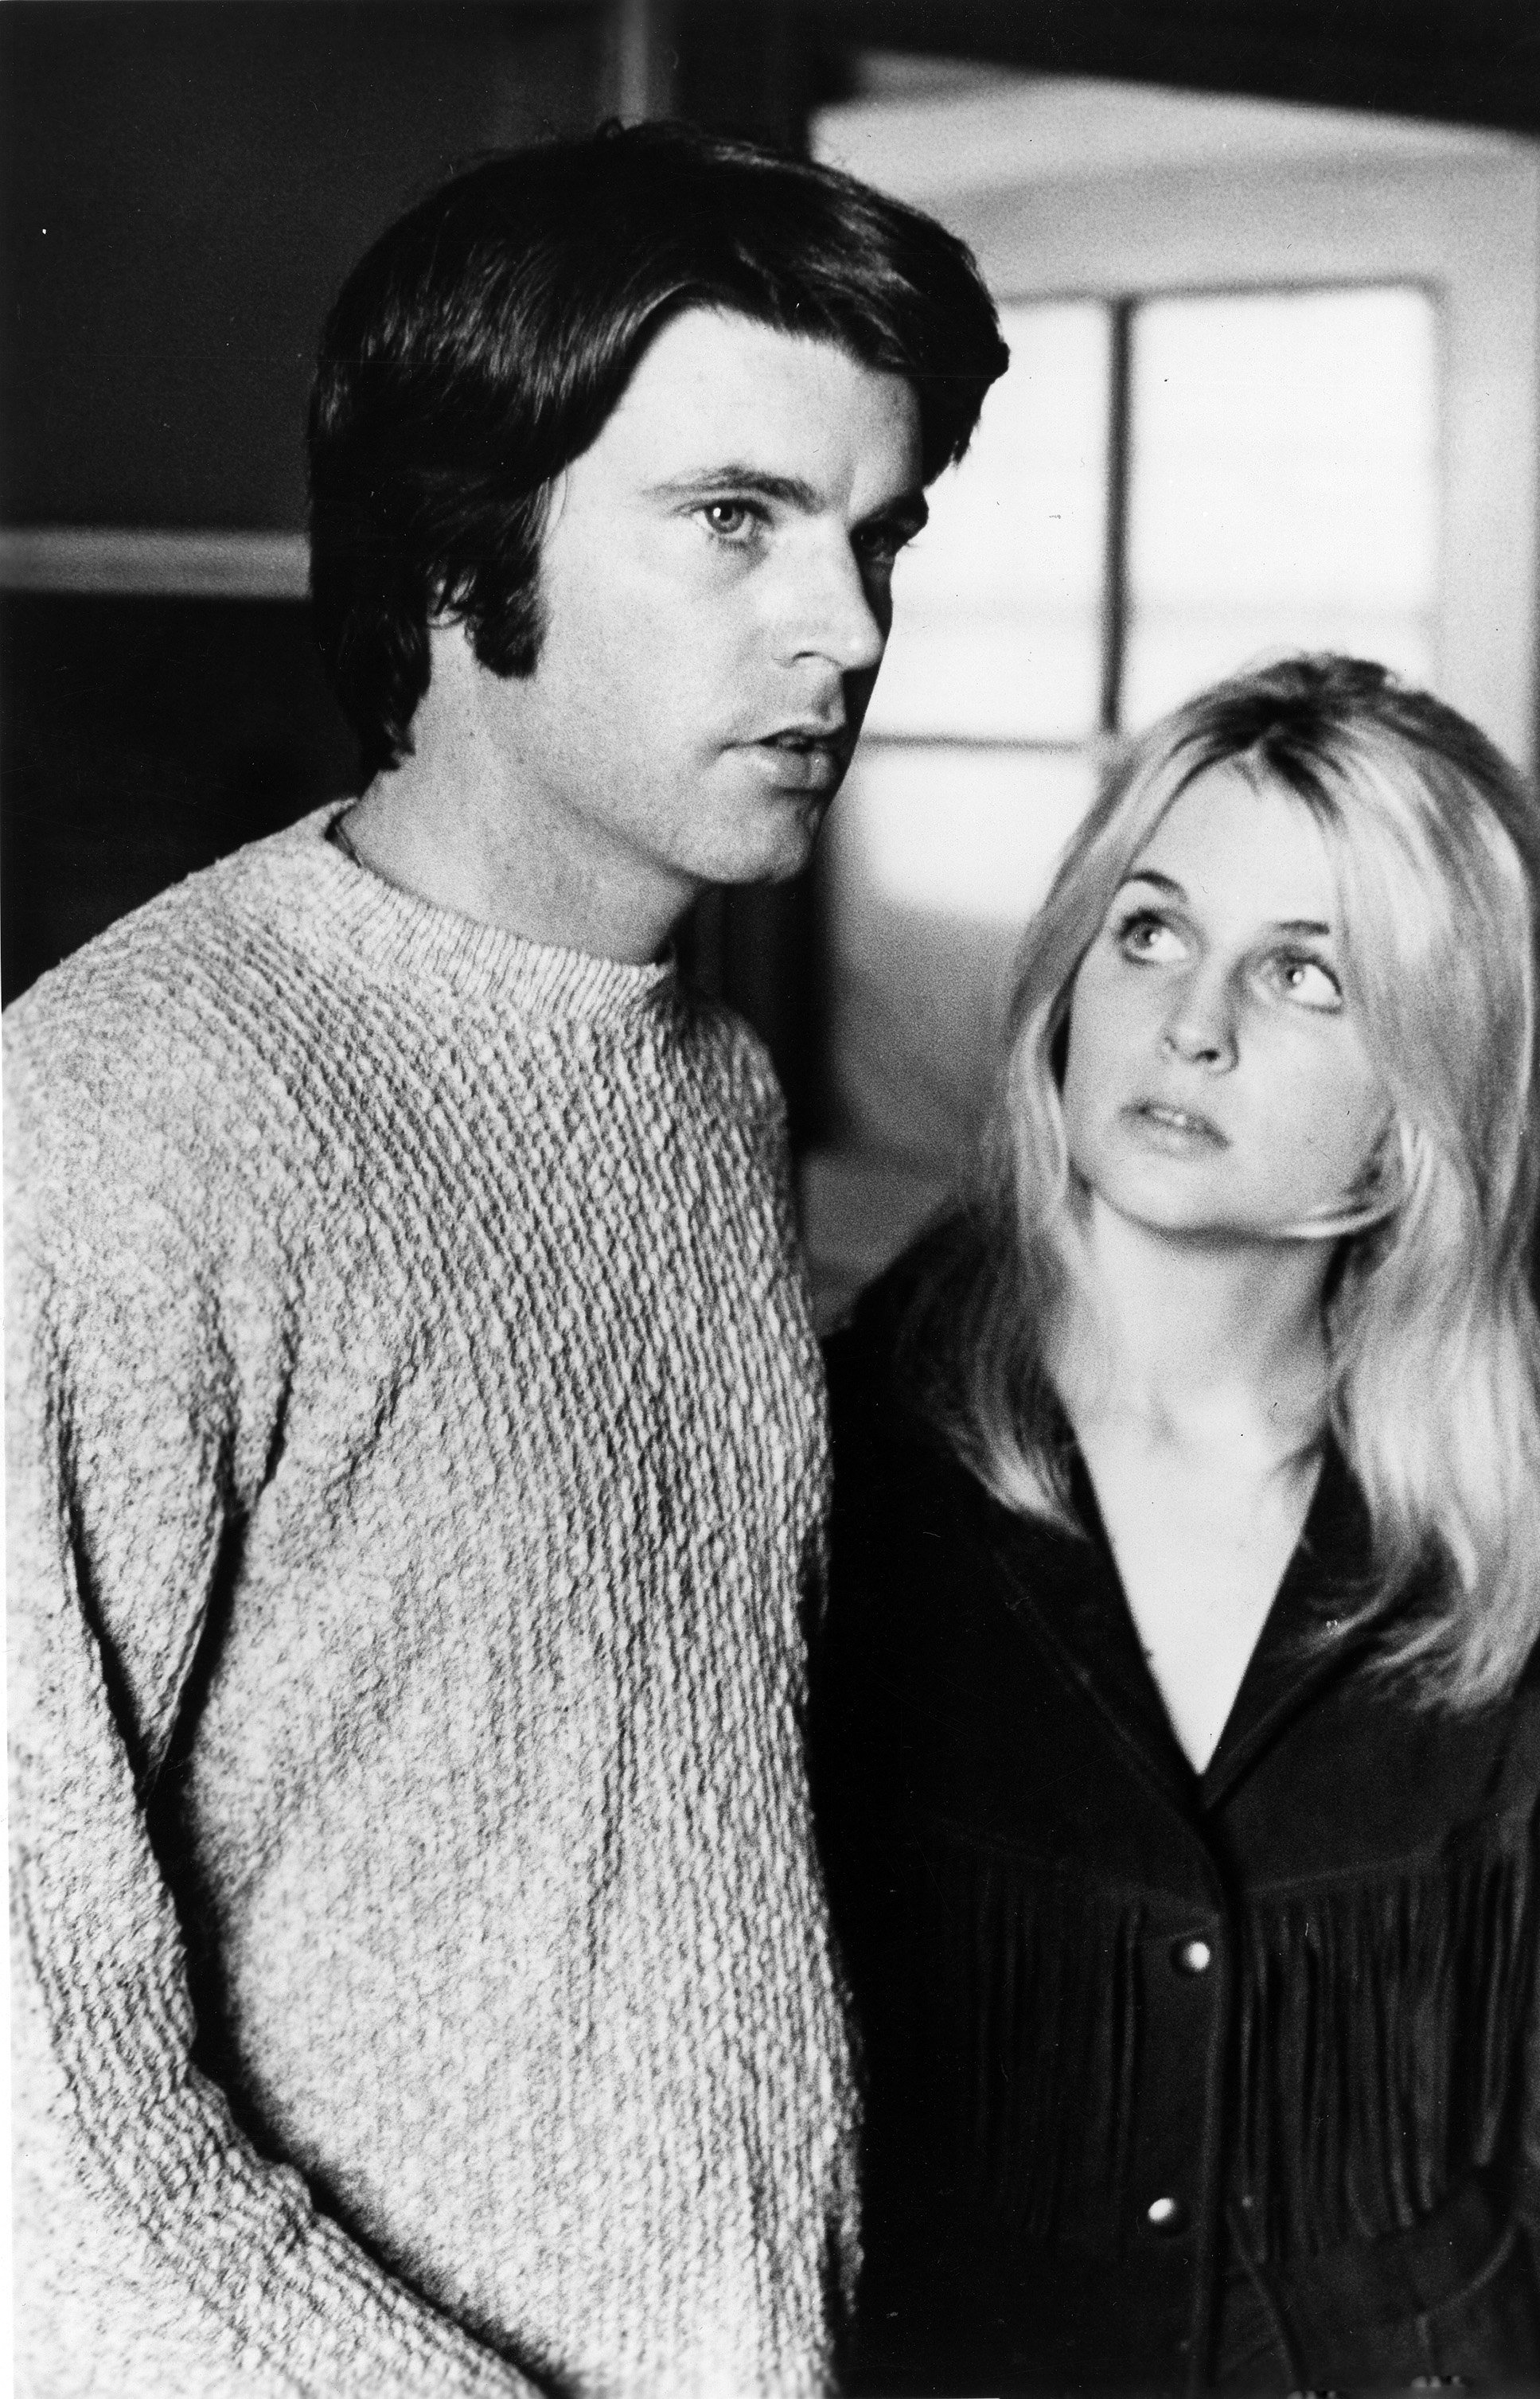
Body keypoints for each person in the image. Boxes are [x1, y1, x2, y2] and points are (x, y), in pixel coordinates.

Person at [6, 121, 1005, 2396]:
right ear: (468, 557)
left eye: (879, 536)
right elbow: (32, 2143)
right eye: (737, 520)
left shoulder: (708, 1088)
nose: (846, 628)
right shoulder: (110, 1124)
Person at [813, 655, 1540, 2393]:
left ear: (1422, 1108)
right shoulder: (840, 1469)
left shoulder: (1506, 1562)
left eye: (1305, 973)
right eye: (1152, 931)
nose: (1193, 1019)